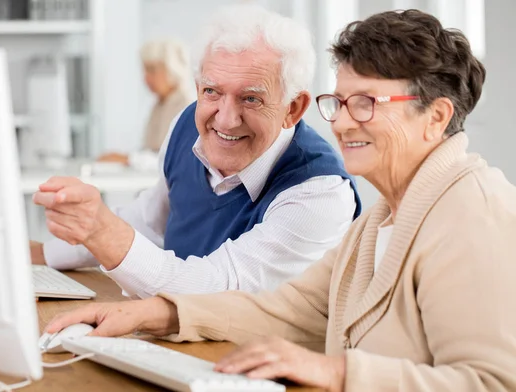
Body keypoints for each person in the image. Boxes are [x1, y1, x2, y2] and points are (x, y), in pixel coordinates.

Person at [43, 9, 516, 391]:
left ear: (435, 117)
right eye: (341, 102)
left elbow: (491, 382)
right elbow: (291, 309)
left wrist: (337, 373)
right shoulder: (383, 218)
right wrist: (156, 313)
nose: (343, 123)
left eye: (366, 103)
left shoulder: (474, 215)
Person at [30, 5, 361, 299]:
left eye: (251, 98)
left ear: (294, 107)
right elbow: (151, 220)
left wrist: (102, 230)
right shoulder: (187, 123)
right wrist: (45, 254)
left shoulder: (320, 192)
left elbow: (215, 288)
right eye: (212, 92)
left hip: (254, 357)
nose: (226, 120)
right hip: (174, 342)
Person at [97, 39, 194, 170]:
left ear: (173, 68)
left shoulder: (187, 104)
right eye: (145, 70)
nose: (146, 78)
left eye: (152, 70)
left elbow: (173, 159)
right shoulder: (159, 104)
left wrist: (128, 159)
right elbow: (151, 151)